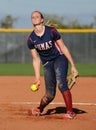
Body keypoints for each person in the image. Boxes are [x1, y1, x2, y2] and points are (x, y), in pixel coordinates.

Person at [27, 11, 78, 119]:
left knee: (61, 83)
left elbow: (63, 48)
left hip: (59, 58)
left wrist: (73, 65)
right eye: (32, 17)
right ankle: (39, 109)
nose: (35, 18)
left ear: (42, 20)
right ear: (32, 21)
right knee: (50, 95)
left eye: (37, 16)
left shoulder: (51, 31)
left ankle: (70, 112)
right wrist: (37, 77)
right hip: (47, 64)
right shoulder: (31, 39)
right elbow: (35, 59)